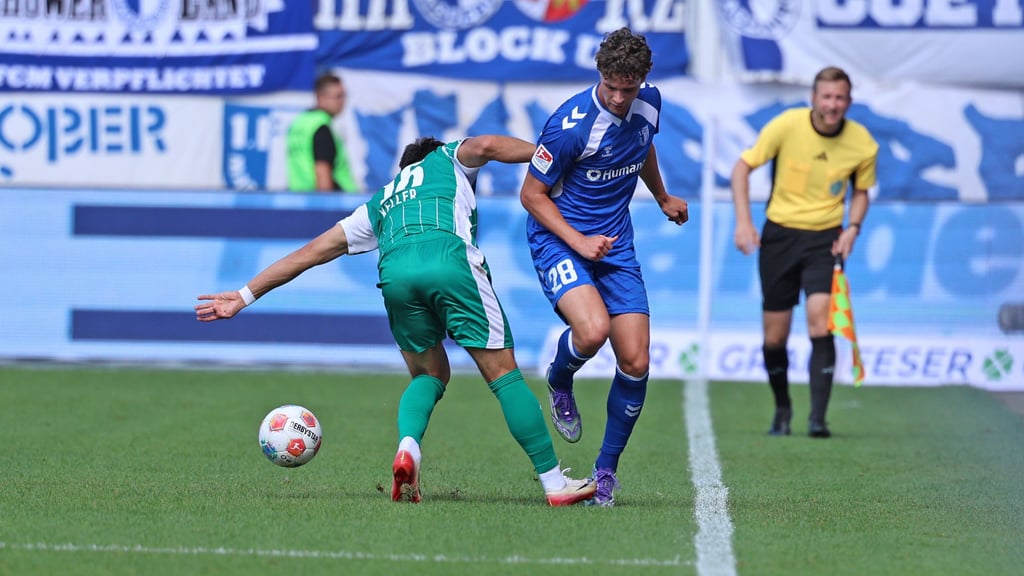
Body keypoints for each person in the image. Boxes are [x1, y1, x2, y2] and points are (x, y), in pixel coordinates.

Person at [196, 135, 596, 507]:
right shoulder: (447, 159)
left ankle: (409, 445)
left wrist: (244, 295)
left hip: (396, 274)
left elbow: (311, 252)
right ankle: (553, 483)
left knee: (428, 374)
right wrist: (550, 156)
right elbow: (489, 145)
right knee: (503, 374)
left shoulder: (381, 200)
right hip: (449, 260)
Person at [519, 27, 689, 507]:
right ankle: (559, 378)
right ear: (600, 74)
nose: (618, 97)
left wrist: (661, 196)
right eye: (610, 86)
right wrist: (577, 240)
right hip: (560, 241)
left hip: (615, 246)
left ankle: (605, 472)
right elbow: (531, 195)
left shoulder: (650, 104)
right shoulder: (568, 125)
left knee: (635, 359)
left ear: (643, 81)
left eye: (627, 89)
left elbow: (642, 145)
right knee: (592, 332)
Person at [730, 66, 878, 438]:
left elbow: (861, 191)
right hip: (779, 236)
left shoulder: (863, 143)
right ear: (814, 98)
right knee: (775, 338)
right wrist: (744, 222)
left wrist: (854, 229)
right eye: (826, 97)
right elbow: (741, 169)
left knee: (820, 321)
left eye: (840, 98)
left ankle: (818, 418)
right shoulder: (786, 125)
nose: (833, 105)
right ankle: (782, 409)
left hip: (824, 240)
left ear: (849, 101)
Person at [286, 72, 358, 193]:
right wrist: (325, 208)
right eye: (338, 96)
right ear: (321, 98)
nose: (342, 101)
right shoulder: (321, 127)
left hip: (299, 199)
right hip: (330, 202)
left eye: (344, 96)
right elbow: (322, 173)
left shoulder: (298, 123)